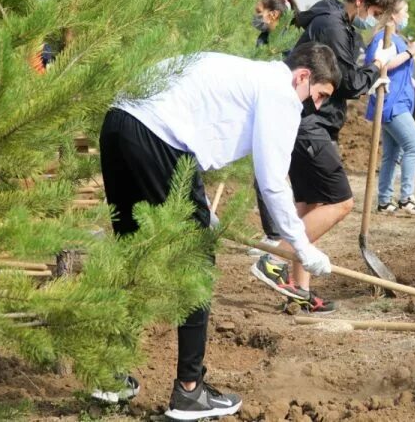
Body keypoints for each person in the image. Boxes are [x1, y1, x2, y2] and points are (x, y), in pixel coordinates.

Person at [96, 43, 340, 420]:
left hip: (118, 123)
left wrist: (201, 205)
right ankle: (190, 392)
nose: (317, 105)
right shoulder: (281, 92)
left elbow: (197, 127)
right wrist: (301, 246)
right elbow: (273, 181)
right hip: (157, 135)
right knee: (198, 263)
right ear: (304, 76)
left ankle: (110, 374)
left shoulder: (245, 74)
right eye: (320, 94)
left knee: (133, 252)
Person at [250, 0, 396, 313]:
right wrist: (377, 68)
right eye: (374, 11)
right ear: (360, 1)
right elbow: (345, 83)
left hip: (308, 124)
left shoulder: (335, 20)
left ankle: (298, 293)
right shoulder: (332, 25)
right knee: (340, 203)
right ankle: (274, 258)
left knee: (310, 208)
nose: (373, 19)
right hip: (311, 125)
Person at [363, 0, 415, 215]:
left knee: (392, 153)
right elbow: (381, 65)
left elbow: (400, 73)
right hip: (391, 104)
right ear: (393, 15)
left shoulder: (397, 38)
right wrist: (410, 52)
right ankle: (406, 198)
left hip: (401, 101)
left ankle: (384, 201)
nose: (407, 16)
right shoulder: (384, 38)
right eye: (405, 12)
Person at [250, 0, 300, 256]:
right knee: (265, 173)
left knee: (269, 172)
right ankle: (276, 233)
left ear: (274, 14)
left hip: (279, 111)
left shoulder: (286, 42)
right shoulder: (263, 38)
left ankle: (277, 236)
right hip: (261, 109)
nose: (255, 16)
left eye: (259, 11)